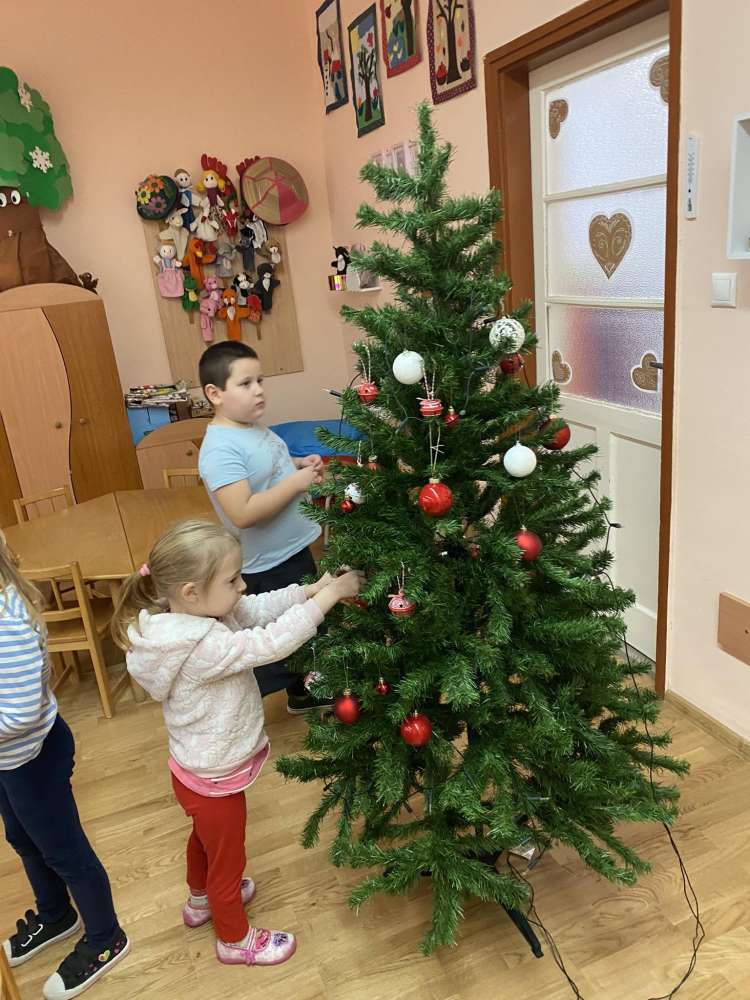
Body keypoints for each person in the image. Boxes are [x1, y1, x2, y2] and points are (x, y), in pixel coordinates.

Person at [110, 519, 362, 967]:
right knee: (228, 861)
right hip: (214, 777)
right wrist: (328, 599)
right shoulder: (200, 646)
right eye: (232, 580)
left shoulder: (193, 616)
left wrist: (310, 589)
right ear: (191, 592)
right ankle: (234, 939)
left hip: (193, 770)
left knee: (204, 840)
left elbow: (255, 608)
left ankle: (199, 901)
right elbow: (270, 643)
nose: (242, 586)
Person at [0, 531, 129, 1000]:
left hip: (33, 757)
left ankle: (105, 936)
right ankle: (56, 915)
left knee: (64, 851)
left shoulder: (6, 622)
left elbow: (19, 713)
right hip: (11, 760)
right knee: (23, 838)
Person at [197, 340, 330, 713]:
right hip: (269, 564)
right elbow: (242, 511)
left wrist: (297, 465)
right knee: (283, 639)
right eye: (245, 383)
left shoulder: (250, 427)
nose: (258, 390)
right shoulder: (220, 450)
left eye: (259, 380)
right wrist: (296, 483)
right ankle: (237, 711)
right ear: (215, 394)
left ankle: (306, 692)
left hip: (292, 549)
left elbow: (267, 469)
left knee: (309, 631)